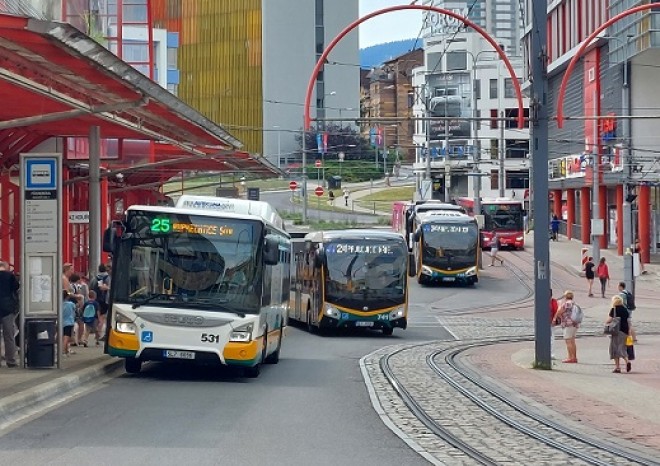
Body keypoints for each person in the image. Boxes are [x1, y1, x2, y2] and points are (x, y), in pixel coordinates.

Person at [0, 261, 19, 367]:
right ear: (6, 267)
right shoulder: (9, 276)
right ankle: (10, 360)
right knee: (9, 335)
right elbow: (15, 288)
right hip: (7, 307)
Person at [605, 295, 631, 373]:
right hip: (625, 331)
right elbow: (628, 321)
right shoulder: (625, 310)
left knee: (615, 349)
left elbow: (608, 320)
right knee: (622, 348)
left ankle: (617, 367)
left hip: (616, 331)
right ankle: (627, 361)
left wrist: (607, 322)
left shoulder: (614, 309)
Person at [557, 290, 579, 363]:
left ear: (565, 297)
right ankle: (574, 357)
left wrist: (560, 305)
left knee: (568, 341)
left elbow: (559, 312)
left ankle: (570, 357)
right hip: (574, 324)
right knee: (572, 341)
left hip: (568, 324)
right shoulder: (574, 304)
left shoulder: (566, 304)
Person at [62, 290, 76, 356]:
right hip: (69, 322)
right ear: (67, 297)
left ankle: (67, 350)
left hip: (61, 322)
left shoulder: (59, 304)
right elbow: (75, 308)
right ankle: (63, 351)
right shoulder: (71, 304)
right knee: (66, 337)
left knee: (63, 337)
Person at [549, 289, 560, 359]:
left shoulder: (553, 301)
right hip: (550, 322)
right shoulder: (553, 301)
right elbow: (556, 311)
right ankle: (551, 353)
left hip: (550, 322)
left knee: (551, 337)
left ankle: (551, 353)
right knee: (551, 337)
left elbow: (556, 311)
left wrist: (554, 319)